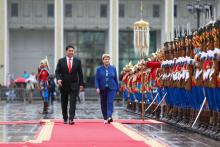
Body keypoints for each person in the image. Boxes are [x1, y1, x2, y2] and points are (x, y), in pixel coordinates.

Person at [55, 45, 84, 125]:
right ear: (66, 51)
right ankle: (65, 117)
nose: (71, 52)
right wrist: (58, 79)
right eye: (69, 51)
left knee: (73, 102)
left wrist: (81, 84)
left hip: (74, 84)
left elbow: (80, 73)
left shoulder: (77, 61)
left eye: (72, 51)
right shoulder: (61, 61)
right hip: (63, 84)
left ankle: (71, 118)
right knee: (64, 102)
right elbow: (57, 72)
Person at [95, 54, 119, 124]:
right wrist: (97, 87)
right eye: (105, 59)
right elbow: (96, 79)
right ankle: (105, 117)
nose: (107, 60)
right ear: (103, 60)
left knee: (110, 102)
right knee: (103, 103)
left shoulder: (113, 68)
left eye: (108, 59)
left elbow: (115, 79)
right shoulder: (99, 69)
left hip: (112, 88)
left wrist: (117, 89)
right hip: (102, 88)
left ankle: (109, 116)